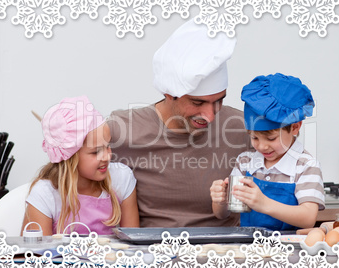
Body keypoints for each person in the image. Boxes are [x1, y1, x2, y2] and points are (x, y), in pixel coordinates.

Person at [107, 20, 252, 227]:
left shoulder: (242, 127)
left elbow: (295, 172)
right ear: (169, 93)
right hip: (153, 252)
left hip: (225, 251)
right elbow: (68, 169)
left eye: (219, 100)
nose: (210, 116)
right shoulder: (123, 128)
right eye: (197, 102)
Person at [210, 73, 325, 230]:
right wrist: (220, 201)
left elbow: (308, 218)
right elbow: (222, 215)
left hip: (288, 250)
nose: (262, 146)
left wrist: (264, 204)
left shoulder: (305, 166)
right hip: (250, 248)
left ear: (295, 127)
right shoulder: (245, 162)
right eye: (254, 138)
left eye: (271, 139)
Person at [22, 96, 139, 236]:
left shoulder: (121, 178)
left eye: (108, 146)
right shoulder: (45, 194)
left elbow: (133, 245)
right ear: (71, 158)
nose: (108, 156)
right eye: (96, 151)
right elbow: (34, 254)